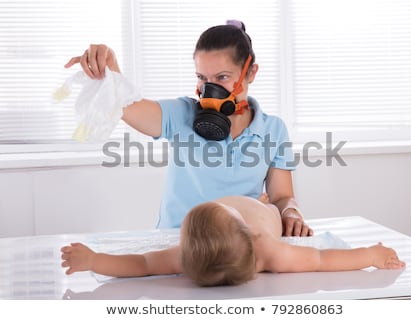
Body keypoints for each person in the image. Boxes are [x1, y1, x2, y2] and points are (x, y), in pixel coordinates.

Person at [64, 20, 312, 237]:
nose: (209, 90)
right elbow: (130, 107)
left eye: (222, 77)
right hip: (176, 244)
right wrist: (110, 67)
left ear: (251, 73)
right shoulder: (182, 114)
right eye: (202, 78)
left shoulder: (273, 130)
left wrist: (291, 212)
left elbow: (280, 197)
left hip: (236, 247)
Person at [61, 194, 405, 287]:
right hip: (264, 209)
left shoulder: (188, 255)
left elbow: (141, 264)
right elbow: (323, 260)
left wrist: (95, 261)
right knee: (268, 206)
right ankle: (266, 205)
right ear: (250, 234)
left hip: (257, 209)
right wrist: (370, 254)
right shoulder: (268, 248)